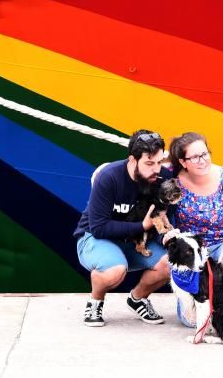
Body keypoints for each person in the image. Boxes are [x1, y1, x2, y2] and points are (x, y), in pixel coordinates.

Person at [74, 129, 173, 327]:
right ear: (132, 160)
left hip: (136, 241)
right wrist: (142, 226)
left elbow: (167, 213)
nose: (156, 169)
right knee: (115, 270)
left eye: (159, 162)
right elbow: (99, 227)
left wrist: (167, 236)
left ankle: (138, 299)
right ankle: (96, 301)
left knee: (172, 263)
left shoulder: (161, 178)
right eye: (149, 163)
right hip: (96, 238)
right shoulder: (109, 176)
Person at [167, 131, 223, 327]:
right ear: (183, 162)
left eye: (205, 154)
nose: (202, 160)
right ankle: (199, 304)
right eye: (194, 157)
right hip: (192, 250)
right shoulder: (173, 182)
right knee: (190, 322)